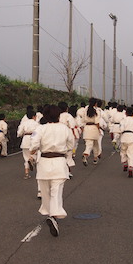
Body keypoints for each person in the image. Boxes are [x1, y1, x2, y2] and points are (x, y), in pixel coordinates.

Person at [29, 105, 75, 237]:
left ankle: (50, 214)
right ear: (58, 115)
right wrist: (64, 150)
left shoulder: (40, 129)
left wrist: (33, 152)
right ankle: (53, 216)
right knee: (56, 192)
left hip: (44, 163)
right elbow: (71, 145)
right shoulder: (65, 129)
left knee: (46, 193)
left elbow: (34, 145)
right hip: (59, 162)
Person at [119, 106, 133, 177]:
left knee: (123, 151)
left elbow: (121, 130)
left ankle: (124, 162)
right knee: (131, 153)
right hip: (132, 137)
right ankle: (130, 167)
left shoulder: (123, 120)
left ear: (125, 113)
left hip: (124, 137)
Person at [17, 109, 39, 180]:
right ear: (33, 116)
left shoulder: (24, 123)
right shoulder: (36, 123)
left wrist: (21, 134)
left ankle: (27, 173)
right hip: (33, 138)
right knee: (35, 153)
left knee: (26, 157)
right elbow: (39, 132)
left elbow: (19, 132)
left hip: (25, 139)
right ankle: (32, 158)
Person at [80, 98, 102, 166]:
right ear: (95, 103)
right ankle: (95, 158)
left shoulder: (85, 111)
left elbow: (82, 121)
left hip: (87, 128)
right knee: (96, 144)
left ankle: (85, 154)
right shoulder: (97, 111)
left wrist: (83, 129)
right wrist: (98, 130)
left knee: (88, 144)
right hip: (94, 128)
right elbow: (97, 122)